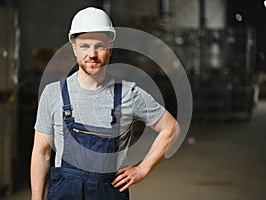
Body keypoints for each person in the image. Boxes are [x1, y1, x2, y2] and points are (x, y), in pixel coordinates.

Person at [30, 7, 180, 200]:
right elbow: (41, 153)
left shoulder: (128, 94)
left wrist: (142, 169)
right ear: (74, 48)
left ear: (110, 48)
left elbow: (171, 128)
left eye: (99, 46)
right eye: (84, 46)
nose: (92, 54)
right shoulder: (53, 94)